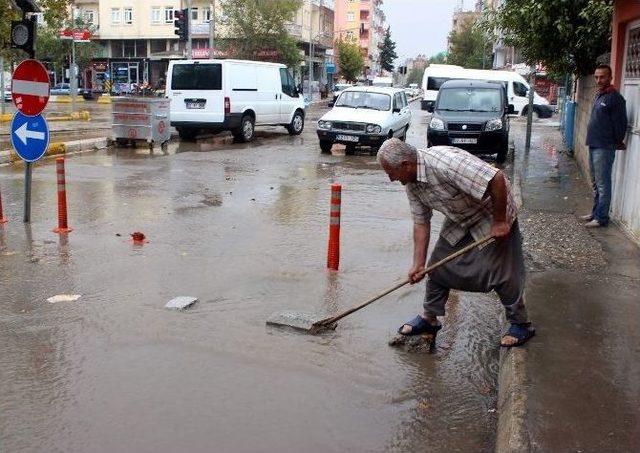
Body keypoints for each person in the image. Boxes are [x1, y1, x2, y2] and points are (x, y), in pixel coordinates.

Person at [377, 138, 535, 347]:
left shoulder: (445, 164)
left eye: (391, 173)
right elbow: (421, 222)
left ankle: (521, 324)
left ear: (406, 164)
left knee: (502, 272)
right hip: (462, 217)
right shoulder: (412, 183)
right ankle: (429, 319)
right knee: (437, 266)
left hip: (493, 209)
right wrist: (418, 264)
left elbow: (496, 178)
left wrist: (499, 221)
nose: (391, 179)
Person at [582, 64, 628, 228]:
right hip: (593, 143)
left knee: (603, 183)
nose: (599, 80)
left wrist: (617, 141)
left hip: (604, 146)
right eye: (596, 77)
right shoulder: (599, 95)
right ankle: (595, 213)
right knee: (595, 182)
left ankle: (601, 218)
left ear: (610, 77)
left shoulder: (614, 98)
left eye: (602, 77)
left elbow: (621, 124)